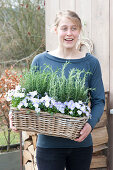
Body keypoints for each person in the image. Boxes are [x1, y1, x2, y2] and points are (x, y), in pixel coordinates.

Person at [10, 10, 105, 170]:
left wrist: (90, 124)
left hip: (80, 144)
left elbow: (98, 101)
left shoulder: (91, 63)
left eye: (74, 28)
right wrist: (15, 114)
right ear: (55, 30)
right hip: (48, 145)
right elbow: (26, 98)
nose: (69, 33)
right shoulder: (40, 61)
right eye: (64, 28)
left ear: (79, 31)